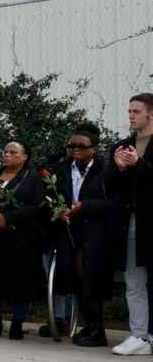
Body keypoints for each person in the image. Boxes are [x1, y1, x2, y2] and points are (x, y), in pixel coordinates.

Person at [52, 122, 115, 347]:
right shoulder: (62, 168)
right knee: (75, 278)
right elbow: (51, 195)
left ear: (94, 148)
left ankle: (97, 330)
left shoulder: (105, 170)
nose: (75, 149)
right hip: (70, 231)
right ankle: (87, 327)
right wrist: (58, 211)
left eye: (81, 146)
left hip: (95, 232)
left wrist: (84, 206)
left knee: (91, 279)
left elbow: (113, 203)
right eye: (72, 145)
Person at [0, 141, 45, 340]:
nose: (7, 155)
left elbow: (37, 206)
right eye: (5, 151)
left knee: (22, 282)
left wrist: (10, 218)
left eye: (13, 152)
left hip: (22, 238)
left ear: (24, 157)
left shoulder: (33, 179)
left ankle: (17, 323)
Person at [105, 93, 153, 355]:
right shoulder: (122, 146)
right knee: (134, 281)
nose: (131, 116)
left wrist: (140, 165)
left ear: (150, 114)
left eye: (136, 111)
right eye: (129, 111)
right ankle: (139, 336)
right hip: (131, 223)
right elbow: (109, 186)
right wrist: (119, 168)